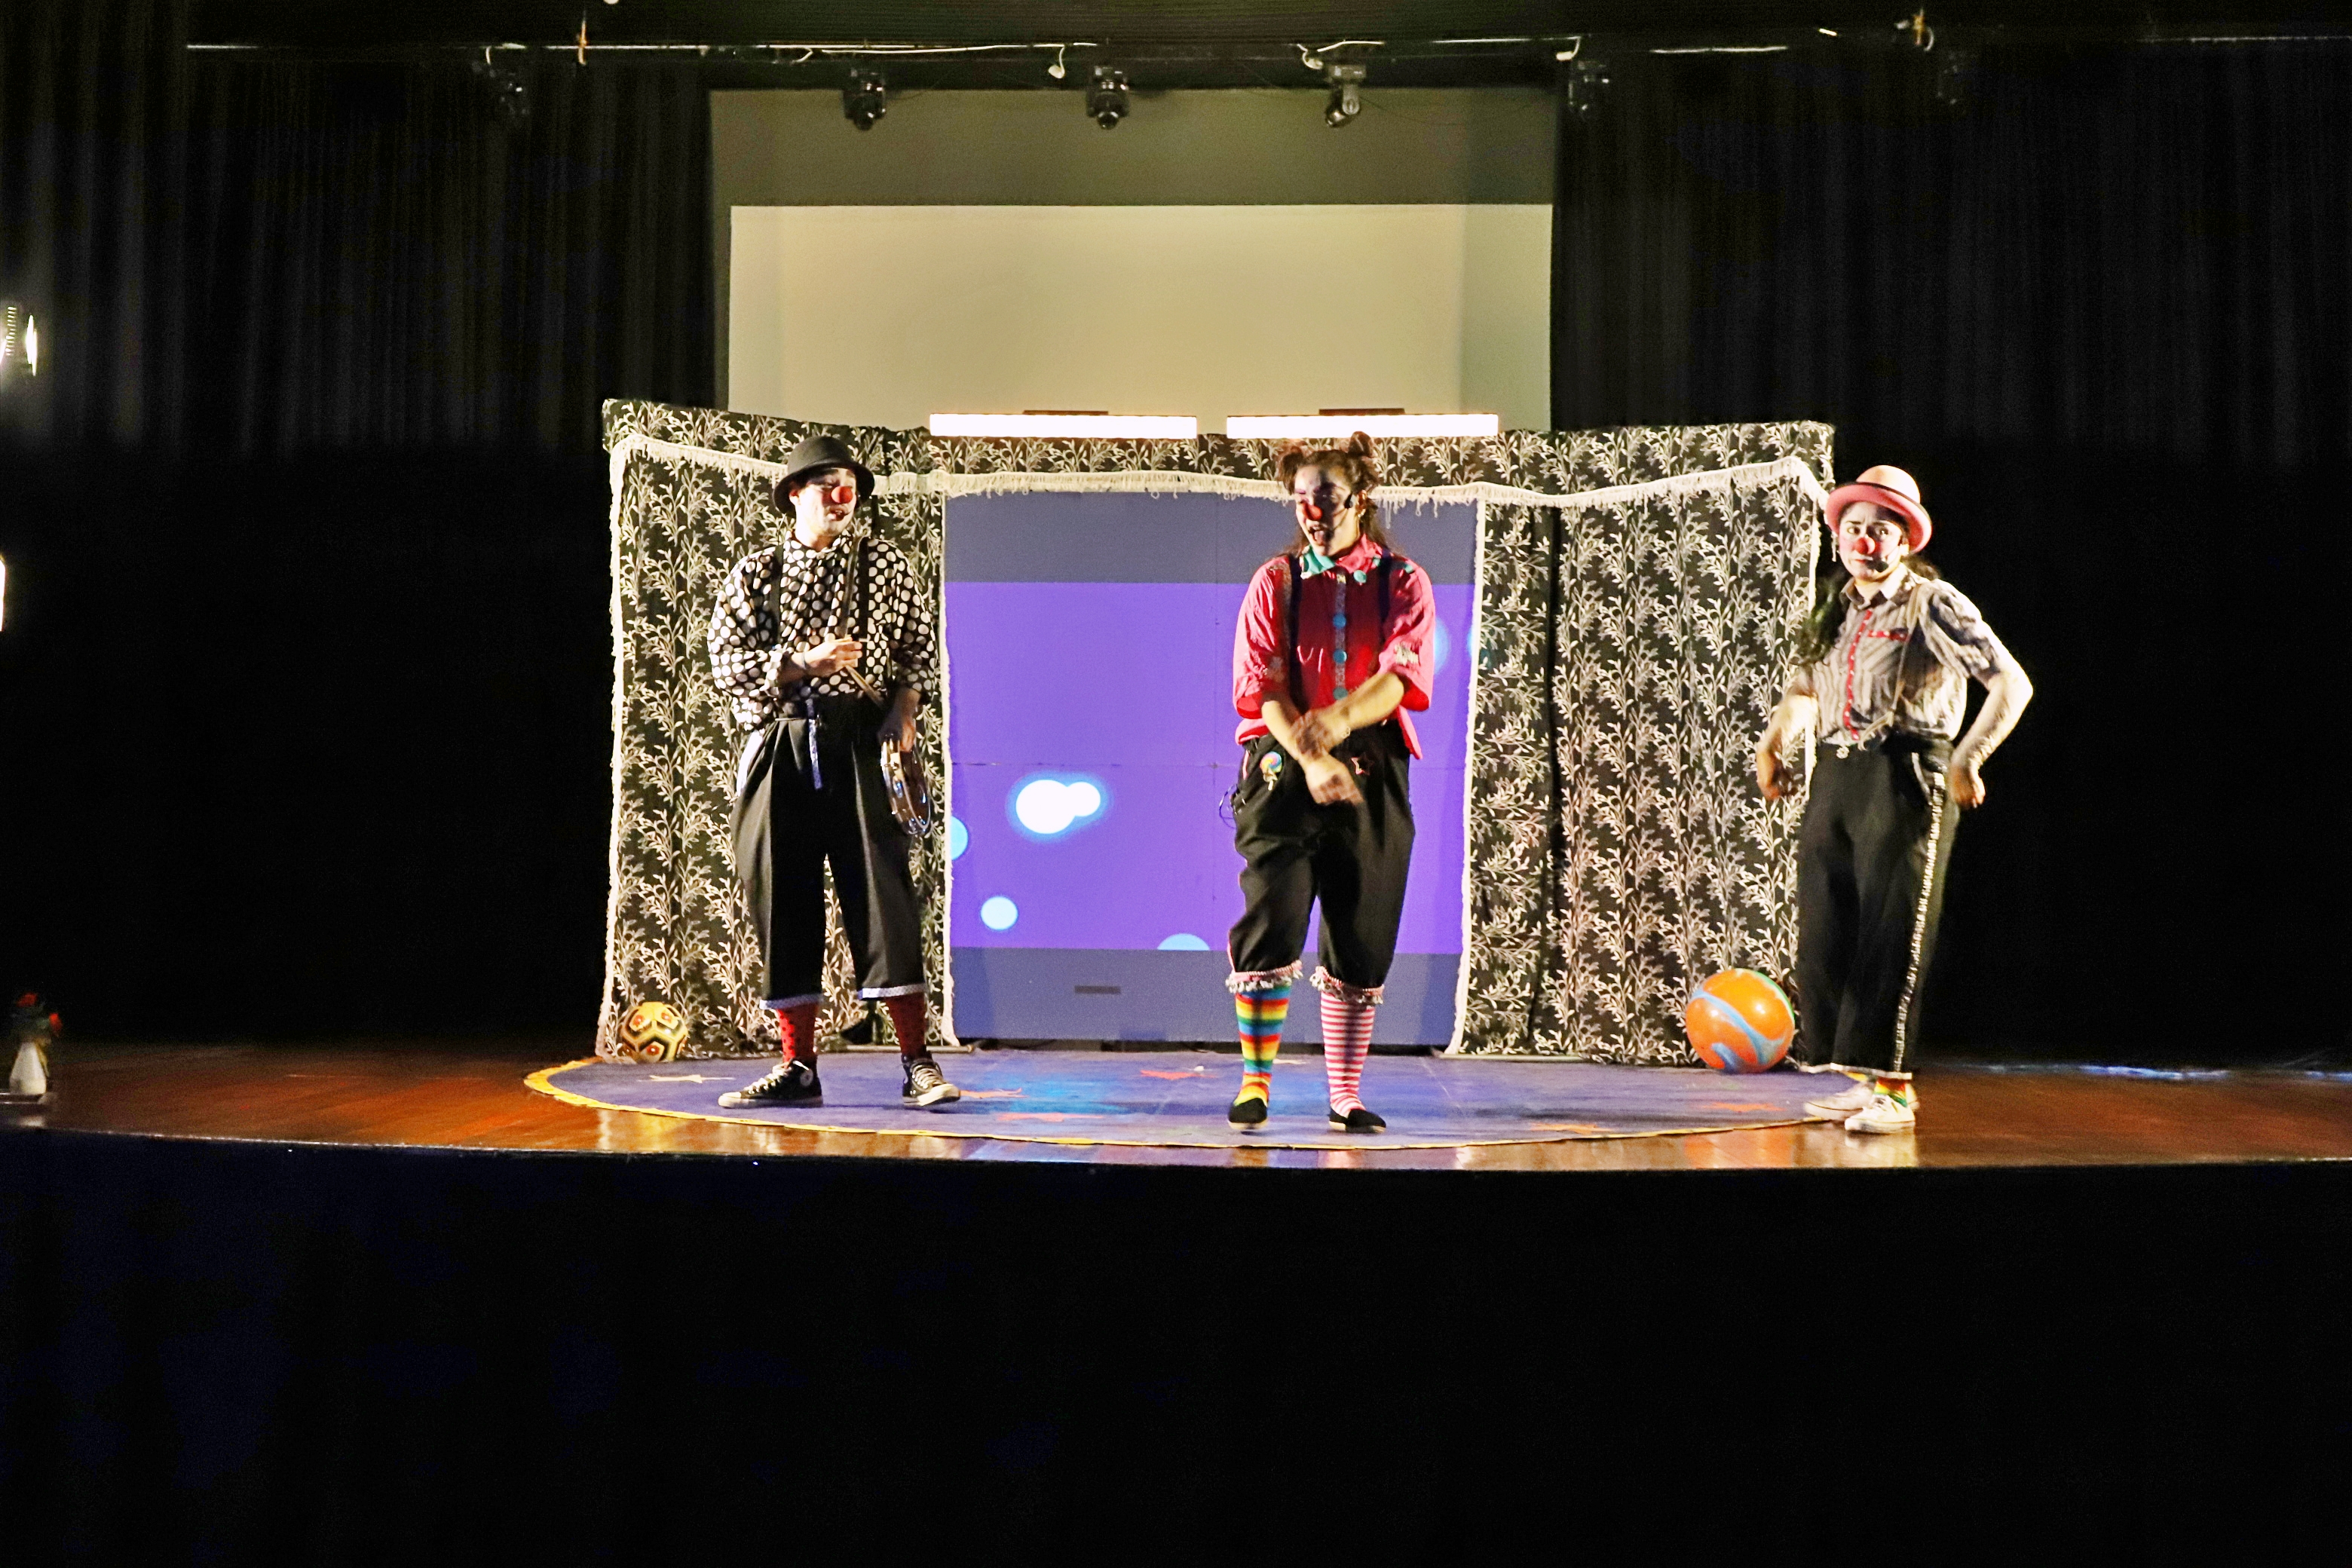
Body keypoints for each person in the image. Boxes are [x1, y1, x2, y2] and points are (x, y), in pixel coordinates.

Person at [1755, 465, 2032, 1133]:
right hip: (1836, 772)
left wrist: (1968, 757)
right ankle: (1859, 1079)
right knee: (1827, 931)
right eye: (1854, 528)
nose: (1865, 541)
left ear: (1904, 539)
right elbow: (1805, 691)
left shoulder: (1931, 602)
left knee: (1893, 930)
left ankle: (1896, 1091)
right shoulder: (1834, 607)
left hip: (1904, 772)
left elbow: (2011, 683)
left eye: (1880, 530)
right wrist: (1772, 745)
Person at [706, 433, 960, 1110]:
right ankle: (798, 1067)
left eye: (849, 487)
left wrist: (903, 713)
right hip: (781, 747)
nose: (842, 497)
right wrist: (800, 664)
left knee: (883, 897)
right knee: (782, 897)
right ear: (795, 494)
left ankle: (917, 1062)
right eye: (827, 486)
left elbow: (918, 648)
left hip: (859, 743)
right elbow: (725, 662)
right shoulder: (757, 574)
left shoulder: (883, 563)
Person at [1223, 433, 1437, 1133]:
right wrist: (1313, 755)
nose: (1313, 514)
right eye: (1301, 500)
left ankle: (1345, 1095)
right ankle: (1256, 1083)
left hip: (1373, 760)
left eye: (1327, 498)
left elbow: (1401, 675)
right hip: (1284, 760)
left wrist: (1340, 722)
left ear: (1360, 498)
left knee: (1361, 922)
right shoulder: (1276, 581)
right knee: (1273, 912)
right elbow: (1263, 688)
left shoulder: (1401, 580)